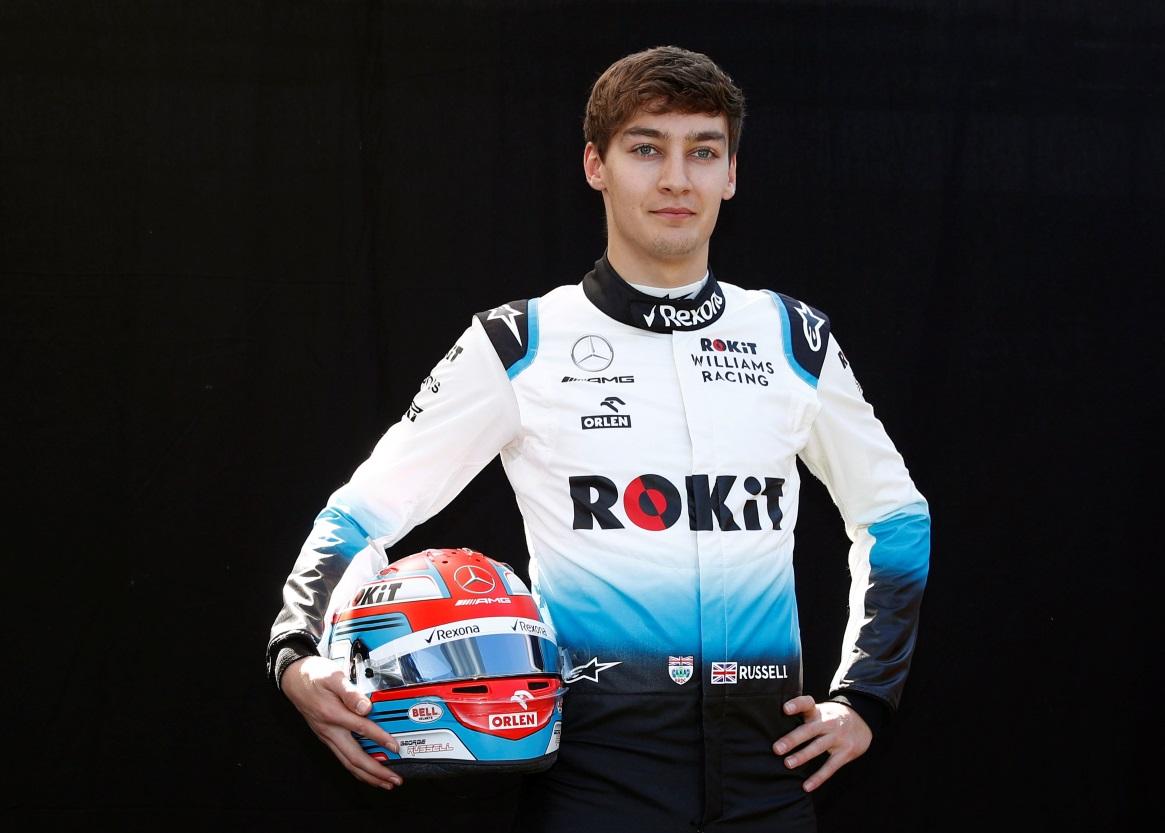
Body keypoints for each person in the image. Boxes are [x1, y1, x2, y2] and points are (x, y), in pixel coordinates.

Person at [267, 45, 931, 832]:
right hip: (596, 775)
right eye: (647, 149)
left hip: (769, 772)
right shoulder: (519, 343)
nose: (677, 179)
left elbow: (895, 519)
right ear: (596, 165)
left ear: (731, 173)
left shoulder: (793, 337)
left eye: (703, 152)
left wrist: (865, 696)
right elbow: (360, 515)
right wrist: (295, 651)